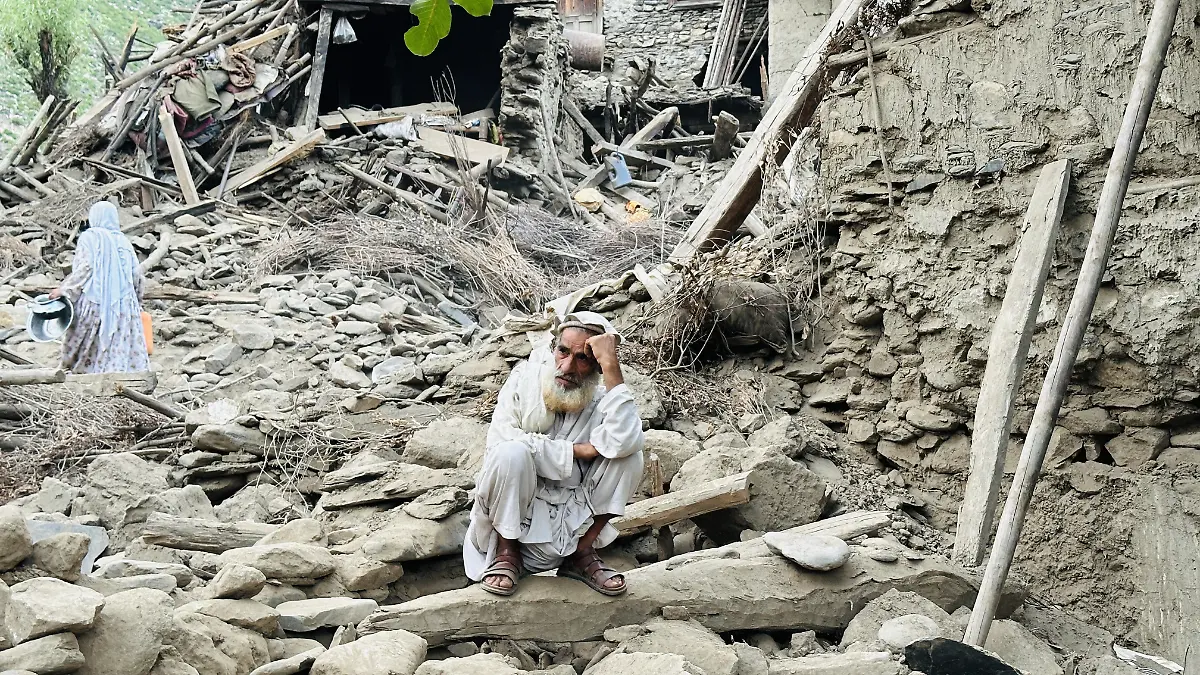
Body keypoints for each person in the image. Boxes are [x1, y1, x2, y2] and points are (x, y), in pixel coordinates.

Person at [464, 311, 644, 596]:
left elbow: (626, 441)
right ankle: (506, 553)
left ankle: (581, 555)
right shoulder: (524, 381)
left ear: (597, 366)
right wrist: (574, 451)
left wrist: (612, 366)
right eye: (562, 352)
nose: (568, 367)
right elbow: (501, 441)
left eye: (582, 358)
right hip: (514, 527)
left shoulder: (601, 401)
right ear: (553, 350)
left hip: (570, 529)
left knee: (630, 457)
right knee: (511, 454)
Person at [49, 202, 151, 374]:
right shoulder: (124, 241)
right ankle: (120, 379)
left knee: (81, 340)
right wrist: (137, 302)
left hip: (94, 301)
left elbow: (85, 268)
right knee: (120, 345)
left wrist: (65, 290)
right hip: (125, 305)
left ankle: (81, 374)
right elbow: (137, 276)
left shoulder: (90, 237)